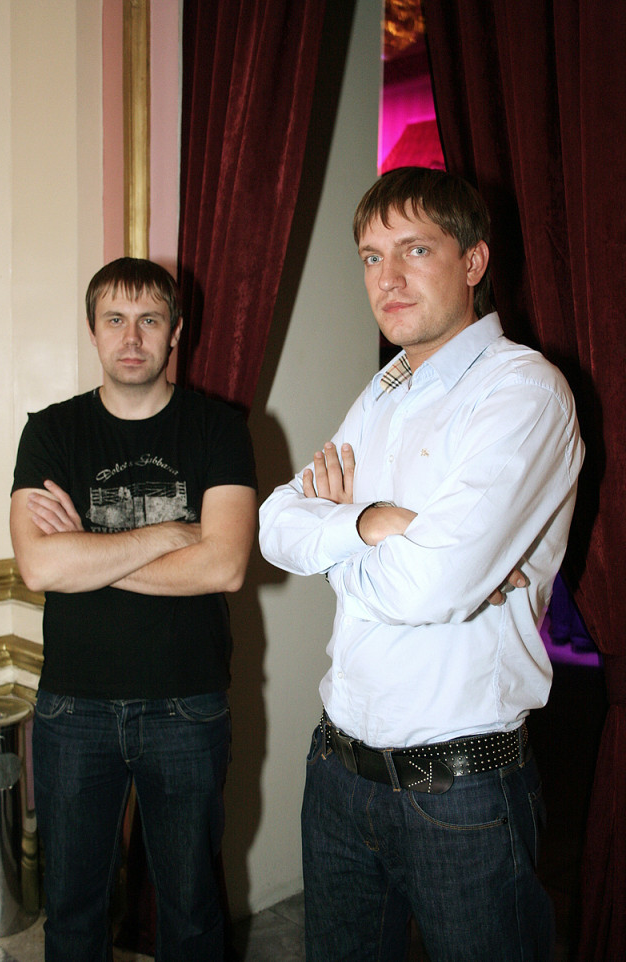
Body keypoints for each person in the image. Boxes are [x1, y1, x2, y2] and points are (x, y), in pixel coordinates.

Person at [259, 167, 584, 962]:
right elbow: (273, 526)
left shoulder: (524, 392)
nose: (388, 279)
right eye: (372, 257)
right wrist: (373, 522)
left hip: (463, 796)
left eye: (415, 249)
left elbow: (426, 587)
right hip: (337, 775)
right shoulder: (386, 389)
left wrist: (337, 535)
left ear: (473, 261)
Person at [10, 258, 257, 962]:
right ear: (93, 331)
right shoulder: (51, 432)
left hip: (187, 705)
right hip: (72, 709)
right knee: (71, 914)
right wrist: (172, 534)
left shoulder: (219, 429)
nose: (132, 336)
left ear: (175, 332)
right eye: (115, 319)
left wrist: (88, 552)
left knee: (192, 913)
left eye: (150, 319)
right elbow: (40, 567)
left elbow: (225, 565)